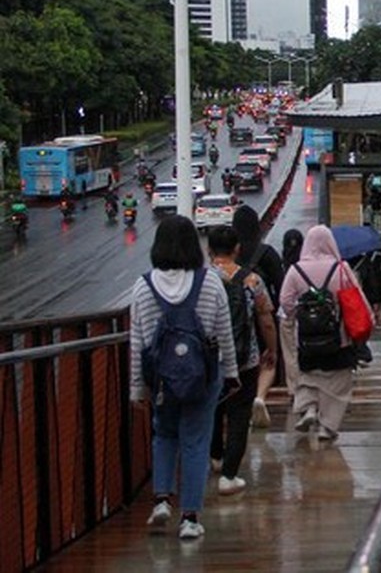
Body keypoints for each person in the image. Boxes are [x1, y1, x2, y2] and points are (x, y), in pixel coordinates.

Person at [128, 216, 237, 540]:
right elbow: (224, 333)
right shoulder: (210, 282)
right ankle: (190, 518)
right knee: (196, 441)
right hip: (203, 377)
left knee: (164, 434)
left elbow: (138, 341)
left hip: (162, 380)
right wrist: (231, 372)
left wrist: (137, 387)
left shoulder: (143, 287)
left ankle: (162, 499)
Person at [278, 226, 371, 441]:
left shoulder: (296, 270)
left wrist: (300, 315)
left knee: (308, 374)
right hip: (338, 337)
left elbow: (285, 301)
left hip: (306, 338)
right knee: (339, 381)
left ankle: (309, 408)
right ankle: (327, 427)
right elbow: (357, 297)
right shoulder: (341, 268)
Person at [206, 225, 278, 495]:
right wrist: (272, 350)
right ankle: (230, 475)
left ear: (209, 250)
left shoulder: (203, 280)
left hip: (211, 358)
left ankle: (215, 456)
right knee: (239, 415)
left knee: (213, 407)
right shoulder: (252, 280)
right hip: (244, 358)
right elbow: (266, 318)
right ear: (237, 249)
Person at [232, 206, 285, 429]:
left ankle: (241, 401)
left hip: (235, 320)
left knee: (241, 361)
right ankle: (260, 396)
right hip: (263, 315)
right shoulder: (267, 253)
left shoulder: (231, 255)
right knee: (268, 359)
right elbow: (281, 287)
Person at [276, 229, 305, 397]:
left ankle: (294, 388)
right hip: (306, 313)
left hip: (287, 314)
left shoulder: (283, 264)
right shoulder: (305, 264)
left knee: (290, 353)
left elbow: (283, 296)